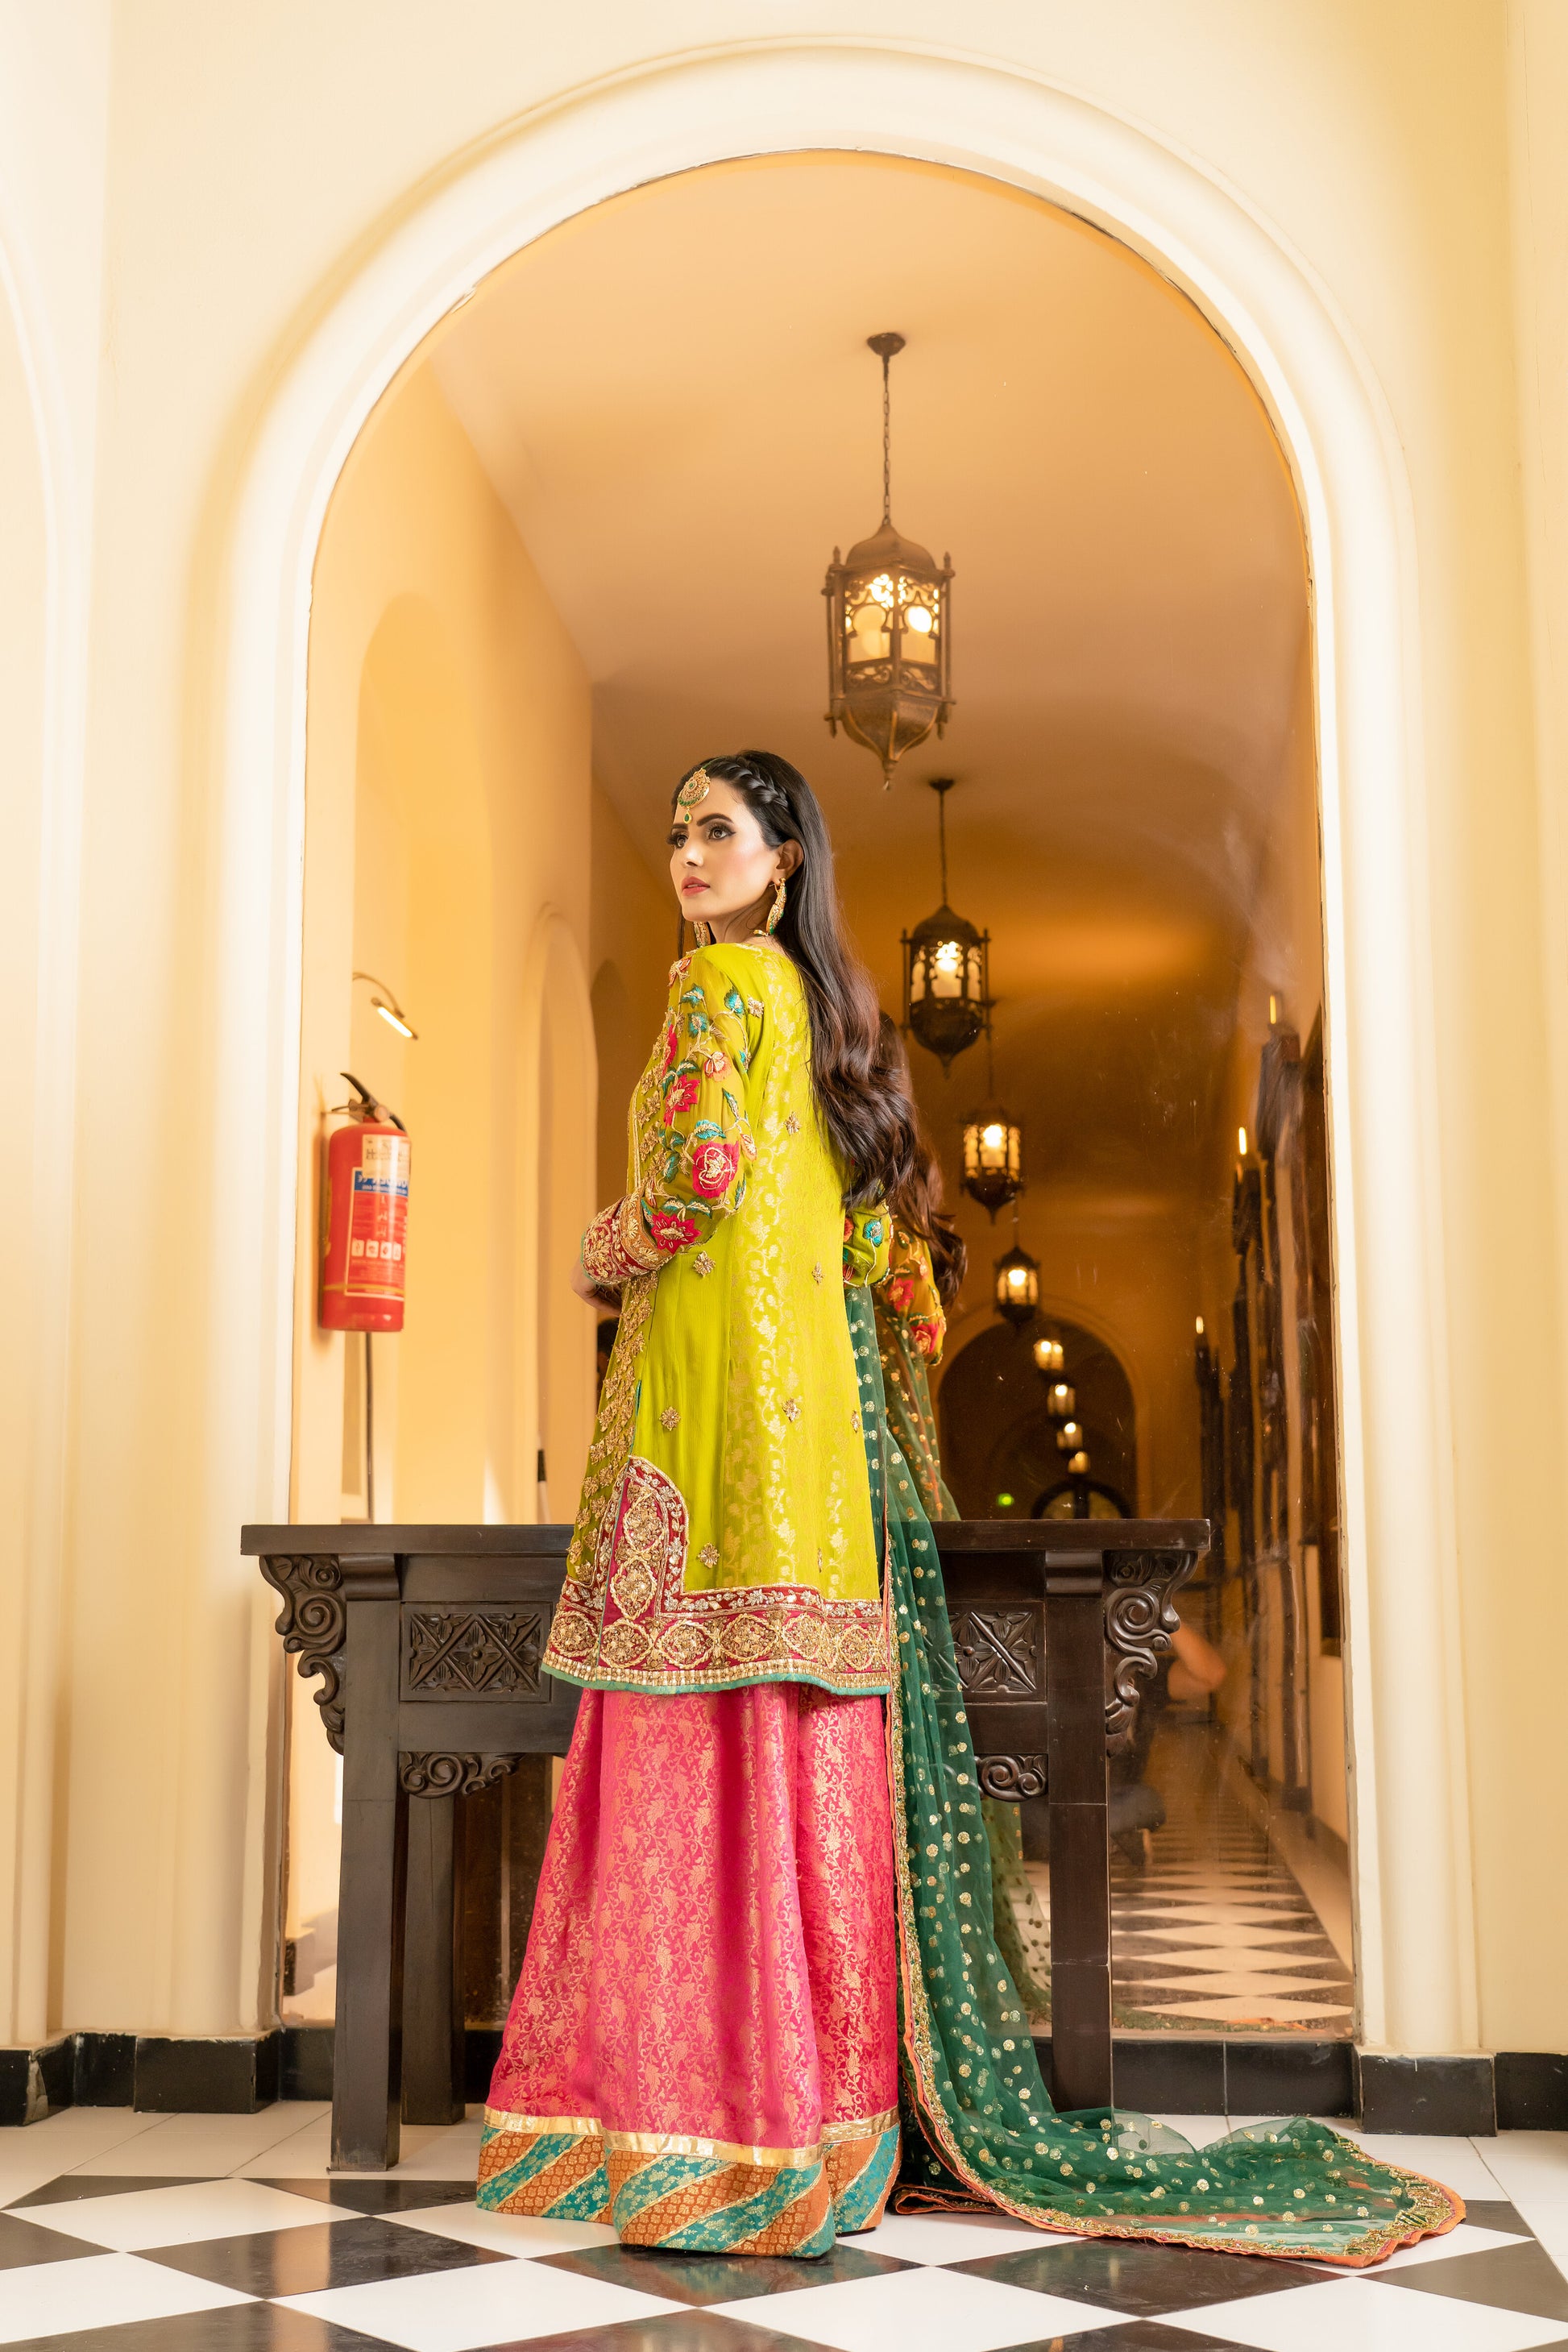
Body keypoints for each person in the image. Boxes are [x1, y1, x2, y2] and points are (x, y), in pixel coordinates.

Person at [478, 750, 1460, 2267]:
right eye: (677, 832)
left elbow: (690, 1180)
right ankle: (828, 2131)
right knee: (802, 1758)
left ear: (784, 857)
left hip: (704, 1442)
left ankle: (703, 2144)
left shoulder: (719, 993)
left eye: (717, 831)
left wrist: (597, 1253)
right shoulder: (842, 1033)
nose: (686, 854)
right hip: (818, 1496)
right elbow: (902, 1291)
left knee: (695, 1757)